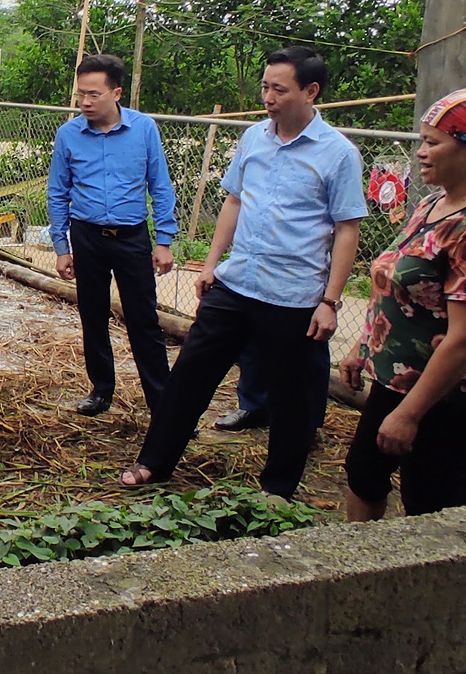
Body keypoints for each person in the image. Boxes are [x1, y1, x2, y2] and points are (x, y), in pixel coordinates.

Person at [119, 46, 365, 498]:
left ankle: (278, 488)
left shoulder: (338, 154)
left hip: (293, 294)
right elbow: (234, 201)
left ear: (311, 92)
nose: (268, 97)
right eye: (266, 87)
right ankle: (155, 461)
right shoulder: (254, 138)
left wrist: (330, 300)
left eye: (279, 89)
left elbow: (347, 228)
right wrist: (212, 264)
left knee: (290, 395)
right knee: (190, 373)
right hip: (238, 281)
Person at [341, 89, 466, 519]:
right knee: (363, 475)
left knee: (431, 506)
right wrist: (361, 347)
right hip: (393, 381)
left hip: (440, 400)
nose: (421, 152)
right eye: (422, 140)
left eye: (433, 142)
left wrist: (409, 414)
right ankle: (360, 572)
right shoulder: (431, 205)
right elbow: (392, 283)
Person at [47, 53, 178, 415]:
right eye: (81, 95)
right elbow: (58, 191)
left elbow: (161, 187)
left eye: (94, 95)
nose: (85, 103)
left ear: (116, 92)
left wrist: (164, 240)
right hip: (86, 236)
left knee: (144, 322)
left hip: (131, 236)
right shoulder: (69, 135)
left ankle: (162, 404)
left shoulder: (144, 129)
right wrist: (62, 246)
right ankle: (101, 389)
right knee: (93, 315)